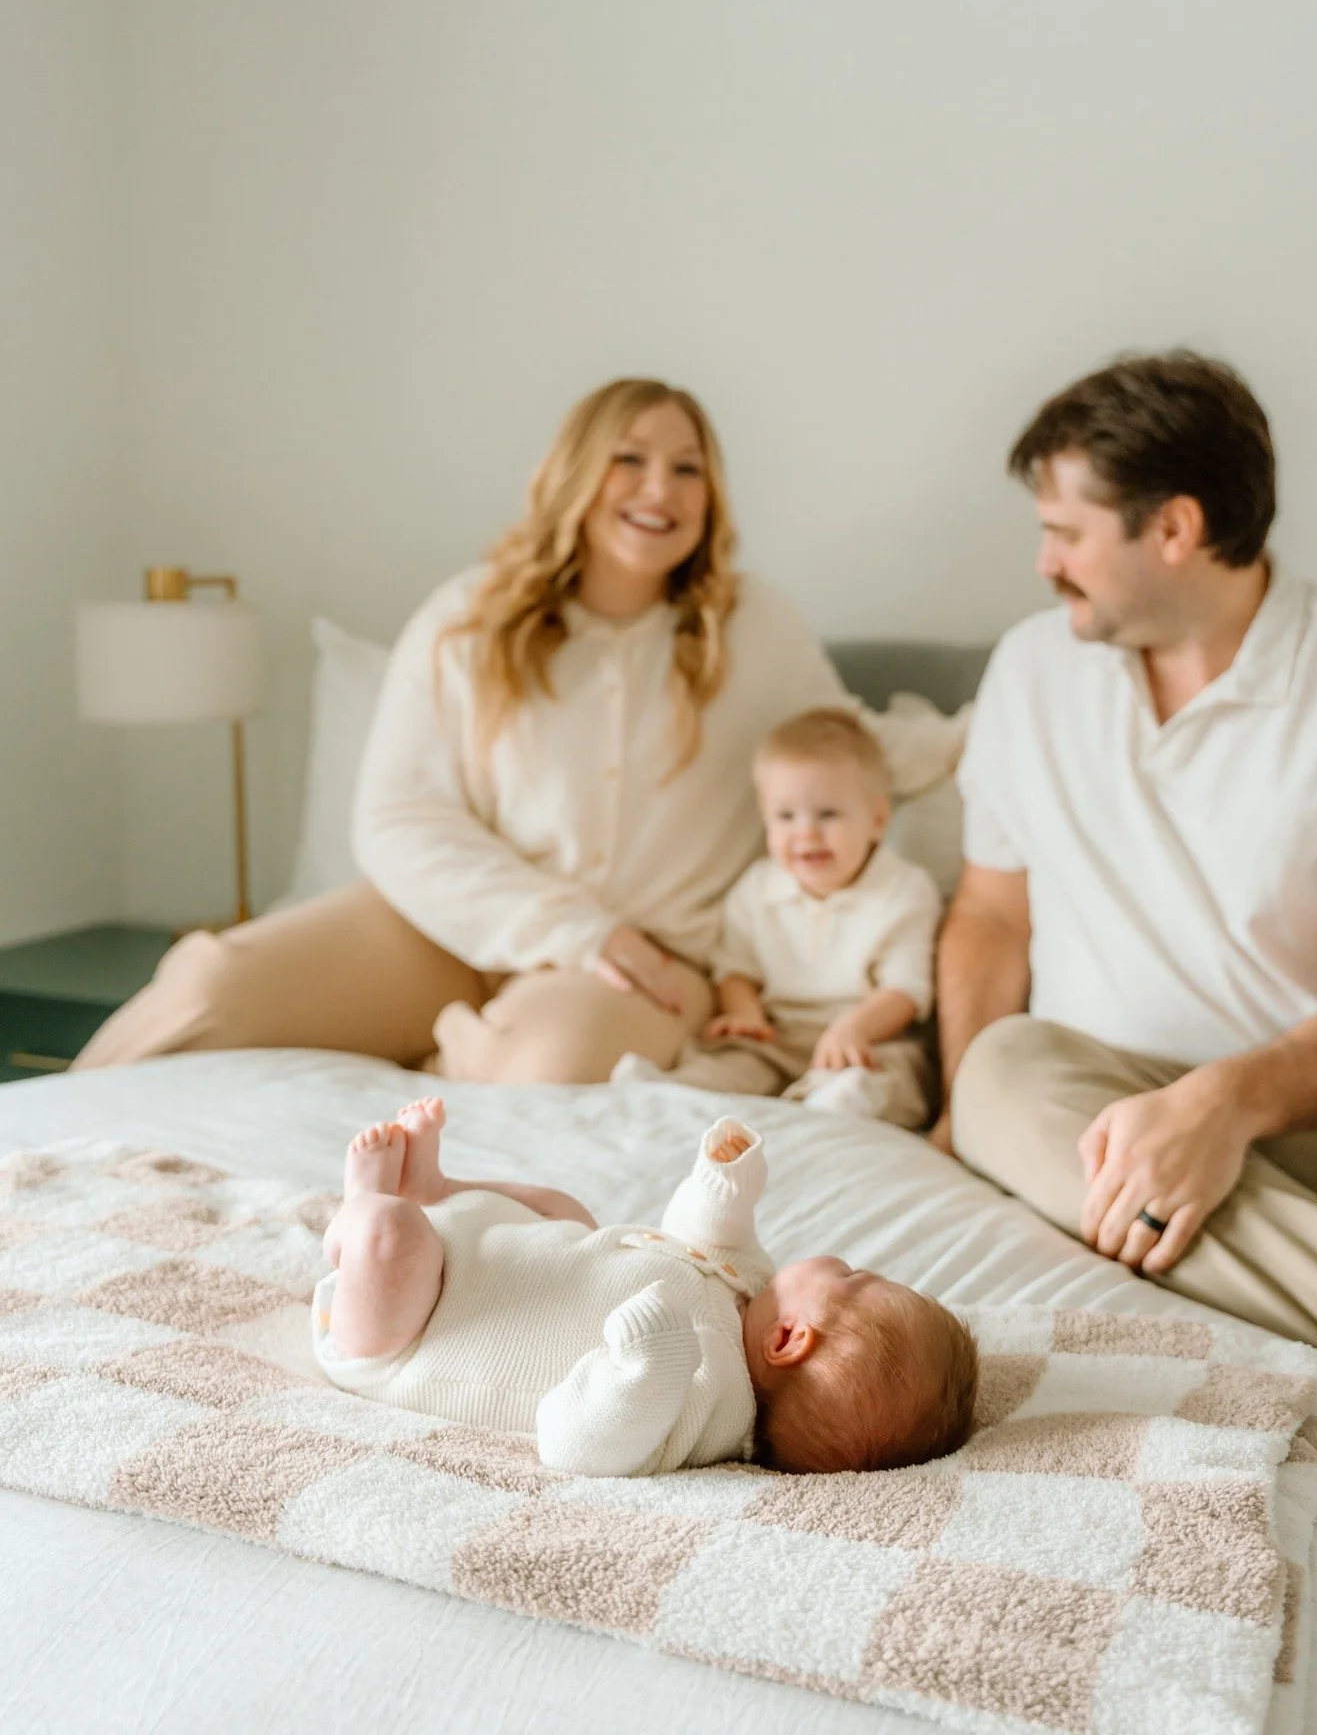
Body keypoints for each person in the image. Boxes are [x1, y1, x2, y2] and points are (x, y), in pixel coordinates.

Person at [75, 378, 959, 1083]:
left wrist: (998, 724)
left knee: (551, 1067)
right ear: (577, 472)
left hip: (648, 966)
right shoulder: (467, 619)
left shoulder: (753, 626)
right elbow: (398, 820)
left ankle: (431, 1062)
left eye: (689, 469)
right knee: (210, 985)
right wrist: (571, 926)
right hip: (445, 938)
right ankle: (42, 1141)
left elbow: (857, 746)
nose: (662, 489)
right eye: (632, 459)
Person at [933, 349, 1317, 1399]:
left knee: (1085, 1152)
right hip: (1097, 1099)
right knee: (1002, 1073)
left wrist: (1223, 1109)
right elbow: (989, 916)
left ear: (1175, 529)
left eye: (1066, 533)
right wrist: (956, 1111)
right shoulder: (1032, 670)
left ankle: (1181, 1192)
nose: (1044, 562)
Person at [313, 1097, 978, 1475]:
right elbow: (710, 1239)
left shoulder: (710, 1407)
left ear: (790, 1338)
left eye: (852, 1276)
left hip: (408, 1328)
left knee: (390, 1234)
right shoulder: (747, 1293)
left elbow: (577, 1446)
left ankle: (361, 1201)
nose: (841, 1259)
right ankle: (436, 1190)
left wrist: (643, 1368)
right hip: (492, 1252)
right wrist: (724, 1186)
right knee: (566, 1207)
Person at [616, 709, 941, 1128]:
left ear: (877, 819)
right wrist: (747, 1014)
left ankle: (834, 1106)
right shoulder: (757, 889)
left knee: (891, 1077)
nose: (805, 833)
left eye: (828, 815)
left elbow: (906, 990)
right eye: (786, 817)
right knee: (736, 1063)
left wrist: (851, 1029)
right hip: (780, 1033)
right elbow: (735, 971)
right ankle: (676, 1091)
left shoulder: (904, 890)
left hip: (868, 1036)